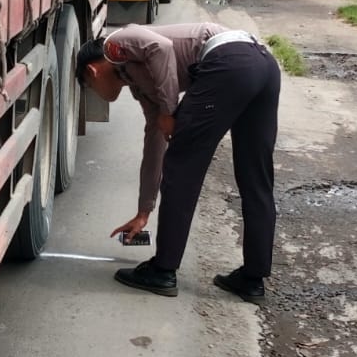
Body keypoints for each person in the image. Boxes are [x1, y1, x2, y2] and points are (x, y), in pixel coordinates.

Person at [76, 22, 280, 302]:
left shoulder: (115, 43)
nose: (96, 93)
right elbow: (155, 139)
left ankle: (163, 270)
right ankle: (252, 279)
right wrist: (144, 211)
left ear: (92, 71)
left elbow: (162, 47)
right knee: (255, 176)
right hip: (263, 65)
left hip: (230, 62)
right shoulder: (140, 84)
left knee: (181, 169)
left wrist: (170, 111)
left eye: (89, 87)